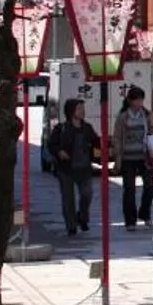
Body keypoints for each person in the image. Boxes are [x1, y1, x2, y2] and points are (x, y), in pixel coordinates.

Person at [46, 98, 98, 236]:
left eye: (83, 108)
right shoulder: (61, 128)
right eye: (79, 108)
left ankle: (83, 217)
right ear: (71, 111)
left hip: (85, 168)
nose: (82, 111)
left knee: (87, 194)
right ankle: (71, 225)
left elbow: (96, 142)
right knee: (68, 199)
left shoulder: (87, 128)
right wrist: (59, 152)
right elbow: (51, 144)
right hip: (66, 169)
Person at [115, 85, 153, 229]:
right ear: (130, 101)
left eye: (141, 100)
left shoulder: (146, 115)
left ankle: (145, 213)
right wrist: (117, 158)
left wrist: (152, 124)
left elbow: (152, 133)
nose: (139, 103)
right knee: (129, 189)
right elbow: (118, 137)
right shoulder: (123, 116)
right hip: (128, 157)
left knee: (150, 187)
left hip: (145, 156)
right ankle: (130, 220)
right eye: (137, 100)